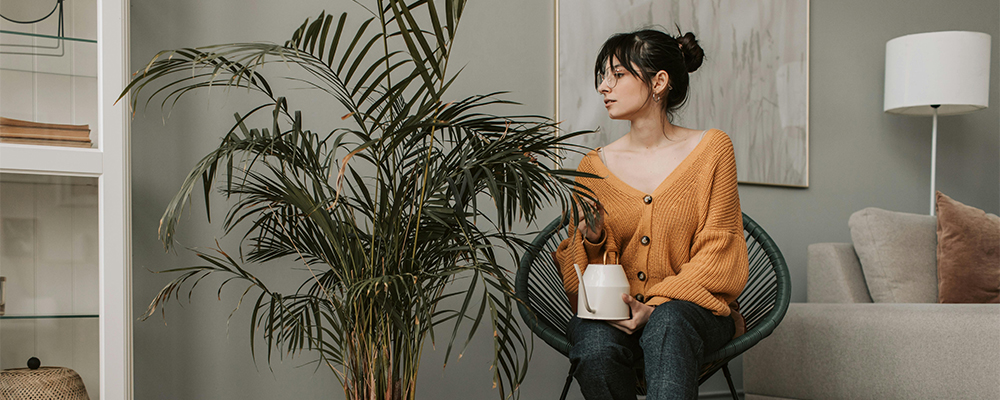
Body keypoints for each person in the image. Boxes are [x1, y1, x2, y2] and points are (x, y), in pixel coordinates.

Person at [554, 28, 749, 400]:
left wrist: (653, 306)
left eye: (618, 74)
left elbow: (720, 250)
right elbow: (580, 288)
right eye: (603, 76)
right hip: (615, 315)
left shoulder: (712, 149)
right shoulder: (593, 166)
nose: (604, 86)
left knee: (668, 323)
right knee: (594, 345)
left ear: (659, 82)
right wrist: (593, 241)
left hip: (693, 312)